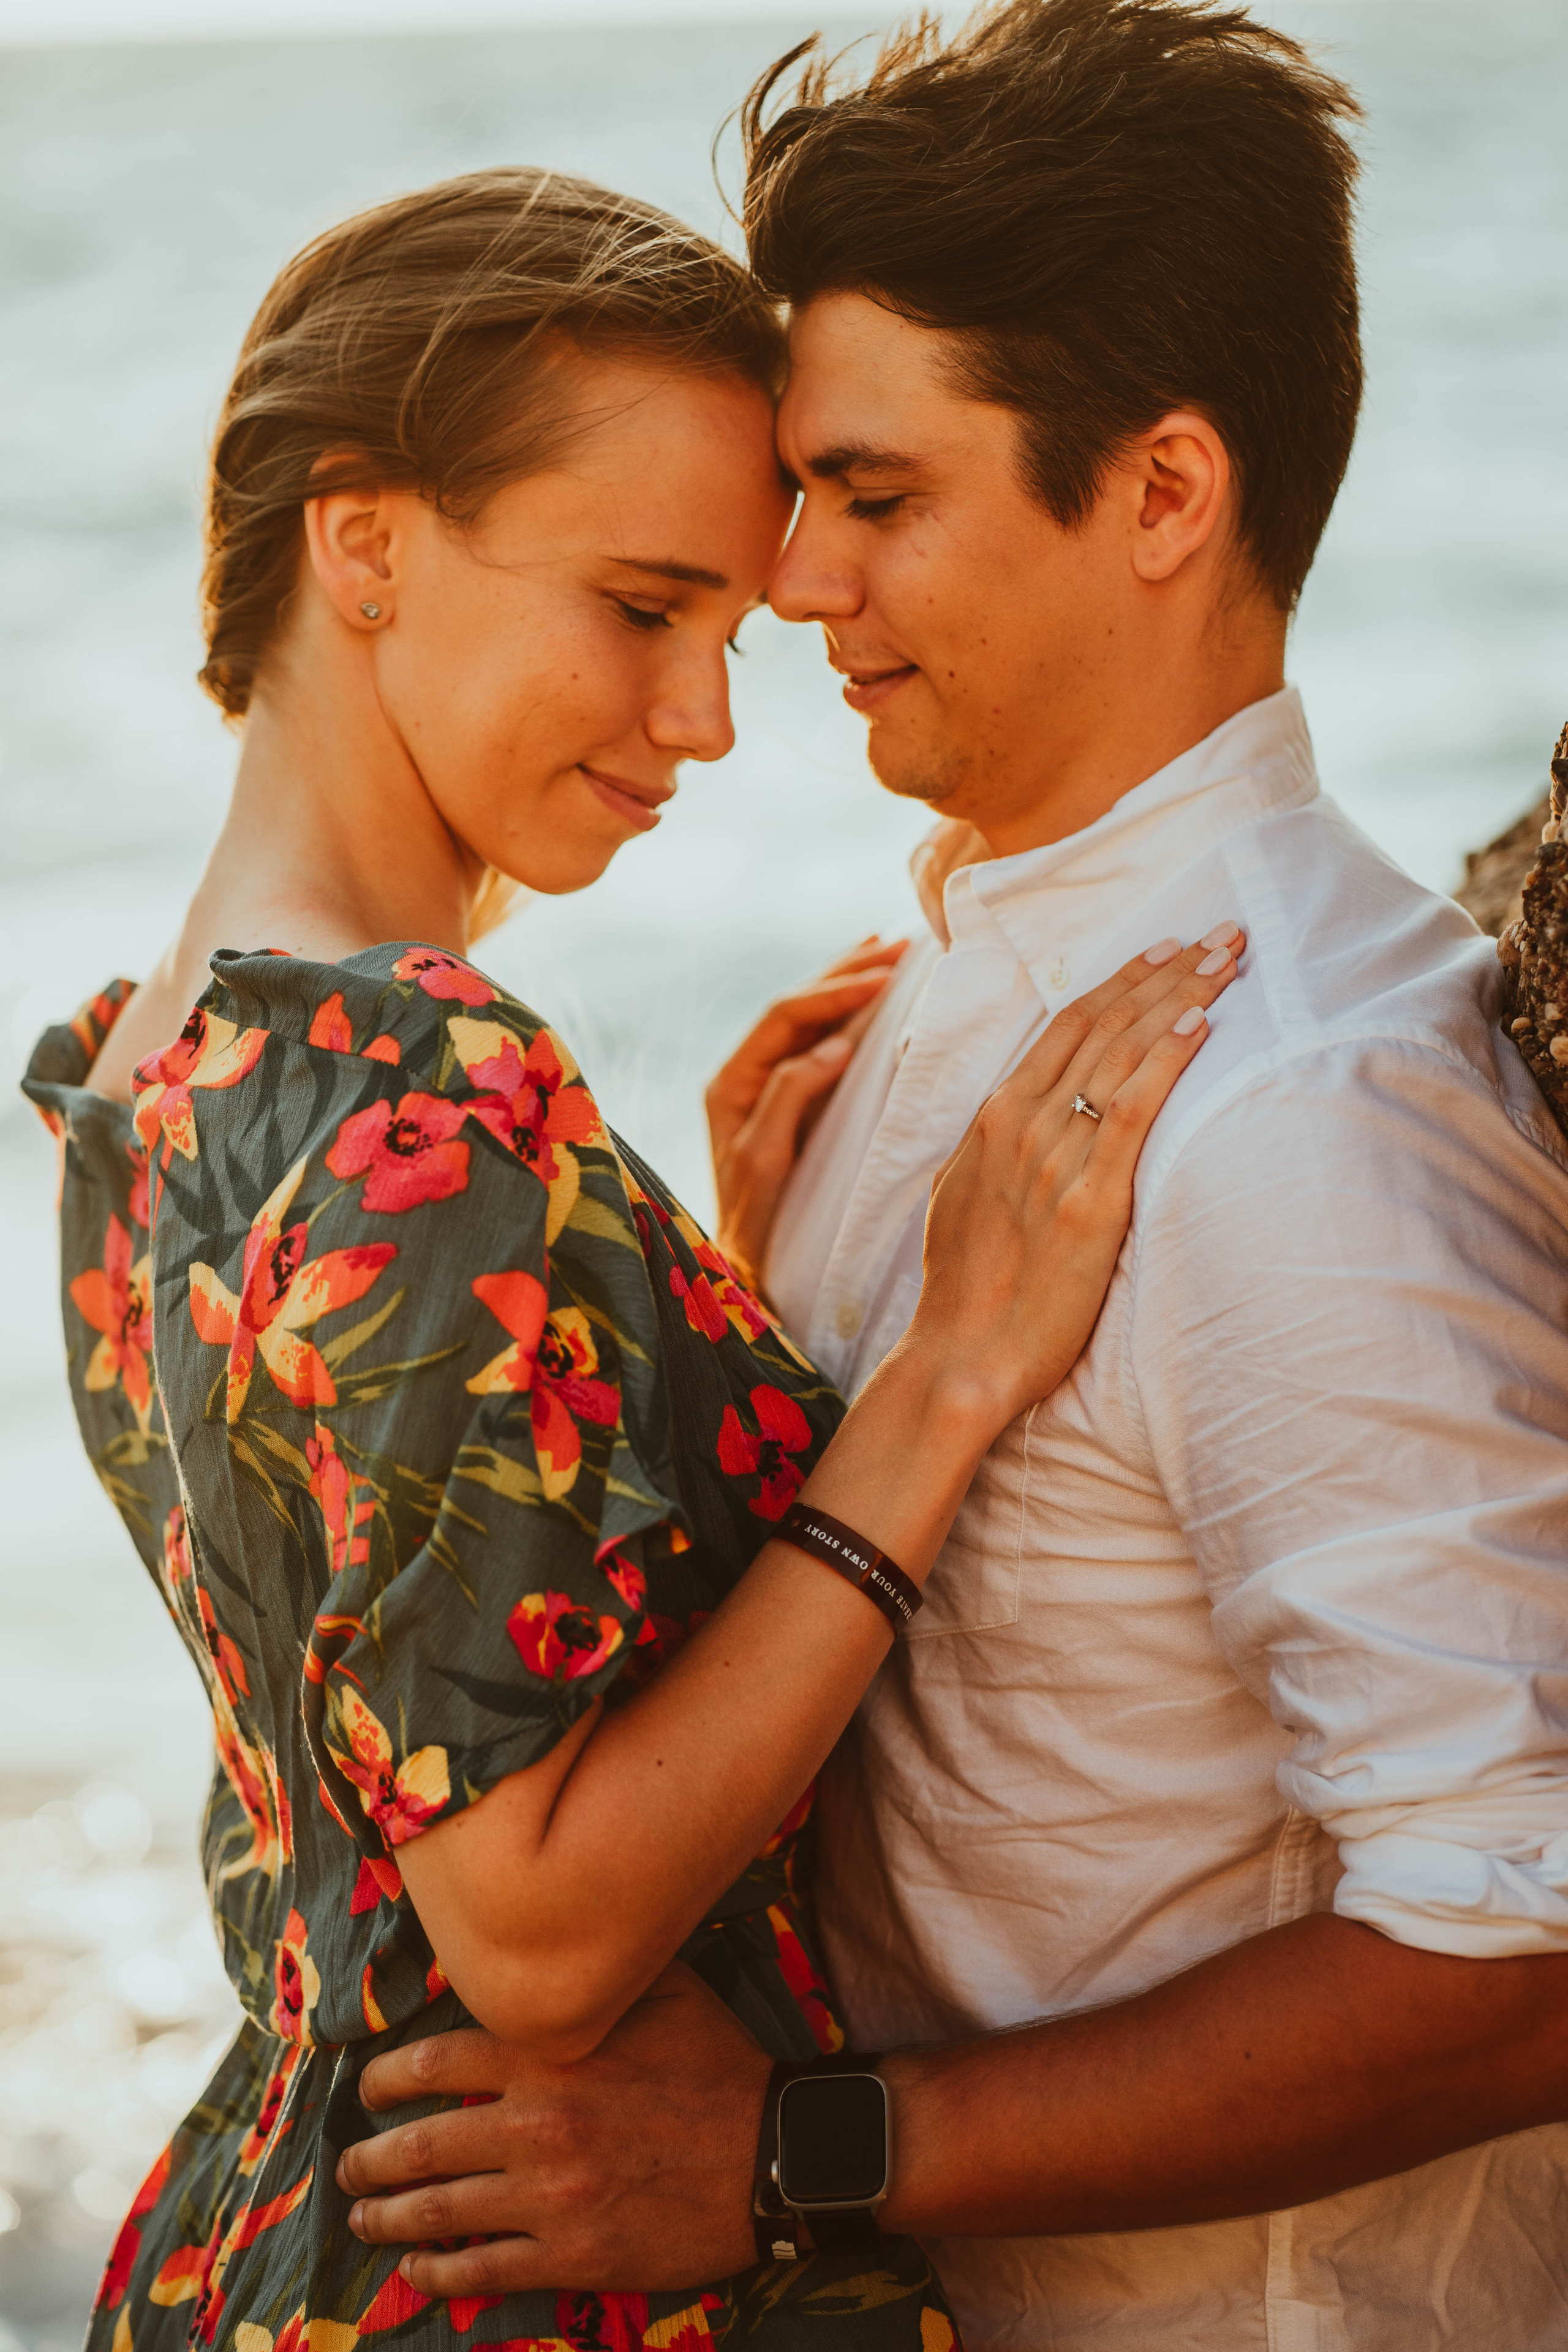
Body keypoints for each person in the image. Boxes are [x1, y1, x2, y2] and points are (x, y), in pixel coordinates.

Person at [337, 6, 1568, 2347]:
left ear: (1164, 496)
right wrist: (735, 1305)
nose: (794, 587)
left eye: (879, 500)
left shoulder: (1305, 1115)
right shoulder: (913, 1022)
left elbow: (1519, 1952)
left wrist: (799, 2151)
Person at [22, 164, 1241, 2351]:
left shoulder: (145, 1066)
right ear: (365, 539)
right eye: (641, 606)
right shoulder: (426, 1086)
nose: (704, 720)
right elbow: (542, 1932)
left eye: (735, 637)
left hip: (274, 2239)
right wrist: (946, 1370)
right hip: (549, 2281)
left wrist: (687, 1304)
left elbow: (369, 1705)